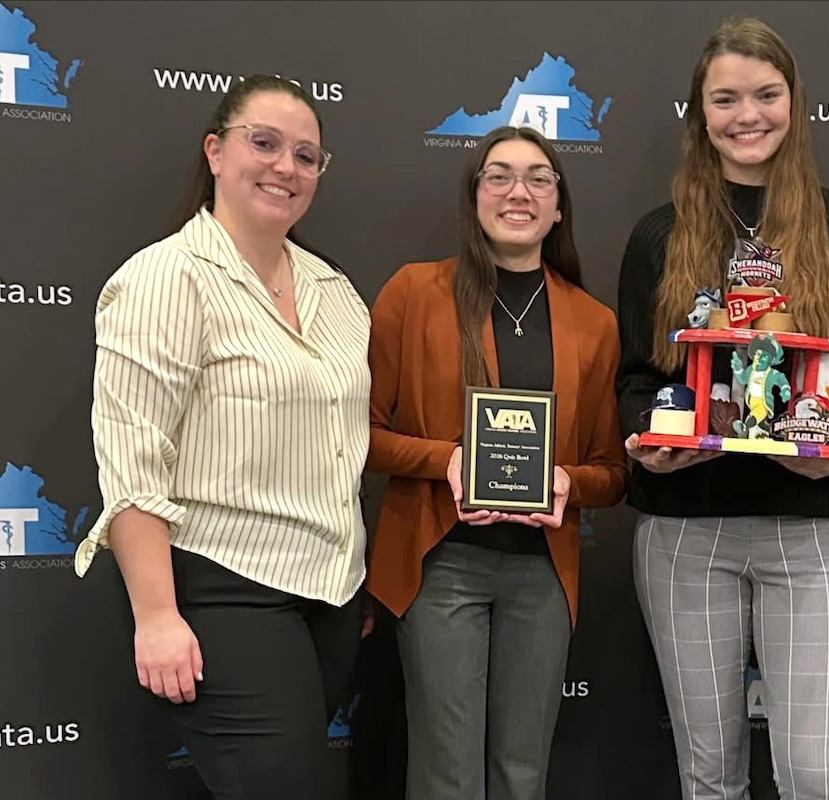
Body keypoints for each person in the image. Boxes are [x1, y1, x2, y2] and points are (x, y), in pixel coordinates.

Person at [615, 18, 829, 800]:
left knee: (815, 776)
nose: (749, 115)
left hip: (818, 533)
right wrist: (652, 442)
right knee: (709, 777)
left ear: (795, 103)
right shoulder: (659, 236)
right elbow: (637, 379)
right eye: (726, 98)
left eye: (767, 94)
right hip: (688, 528)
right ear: (699, 114)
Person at [74, 76, 370, 799]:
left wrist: (348, 579)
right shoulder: (165, 278)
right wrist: (157, 617)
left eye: (307, 155)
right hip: (222, 589)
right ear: (214, 150)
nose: (286, 167)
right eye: (263, 143)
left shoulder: (336, 291)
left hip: (327, 599)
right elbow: (133, 463)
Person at [364, 124, 626, 800]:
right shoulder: (414, 294)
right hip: (442, 561)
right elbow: (360, 435)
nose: (519, 190)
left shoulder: (593, 321)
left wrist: (569, 481)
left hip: (542, 573)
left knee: (522, 773)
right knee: (447, 773)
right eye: (499, 175)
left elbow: (610, 472)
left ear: (559, 205)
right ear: (475, 195)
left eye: (539, 177)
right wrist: (446, 461)